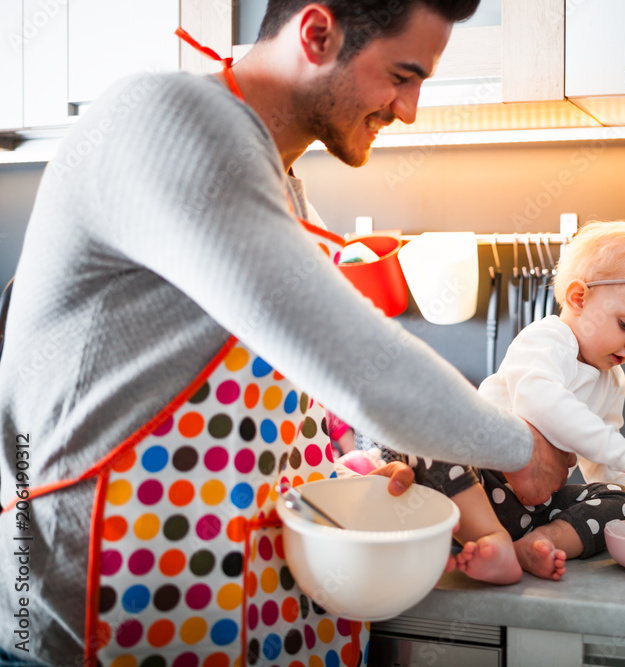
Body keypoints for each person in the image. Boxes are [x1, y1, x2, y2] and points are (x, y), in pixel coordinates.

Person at [0, 2, 576, 665]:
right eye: (402, 75)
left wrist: (343, 470)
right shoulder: (164, 122)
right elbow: (365, 367)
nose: (410, 108)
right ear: (317, 32)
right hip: (89, 631)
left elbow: (258, 402)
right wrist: (517, 448)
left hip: (223, 619)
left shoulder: (281, 180)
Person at [368, 220, 625, 584]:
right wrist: (624, 451)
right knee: (432, 433)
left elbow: (600, 456)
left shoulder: (612, 380)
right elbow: (542, 401)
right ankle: (487, 537)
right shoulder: (547, 339)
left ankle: (538, 543)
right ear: (578, 298)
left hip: (533, 508)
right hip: (475, 482)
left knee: (616, 499)